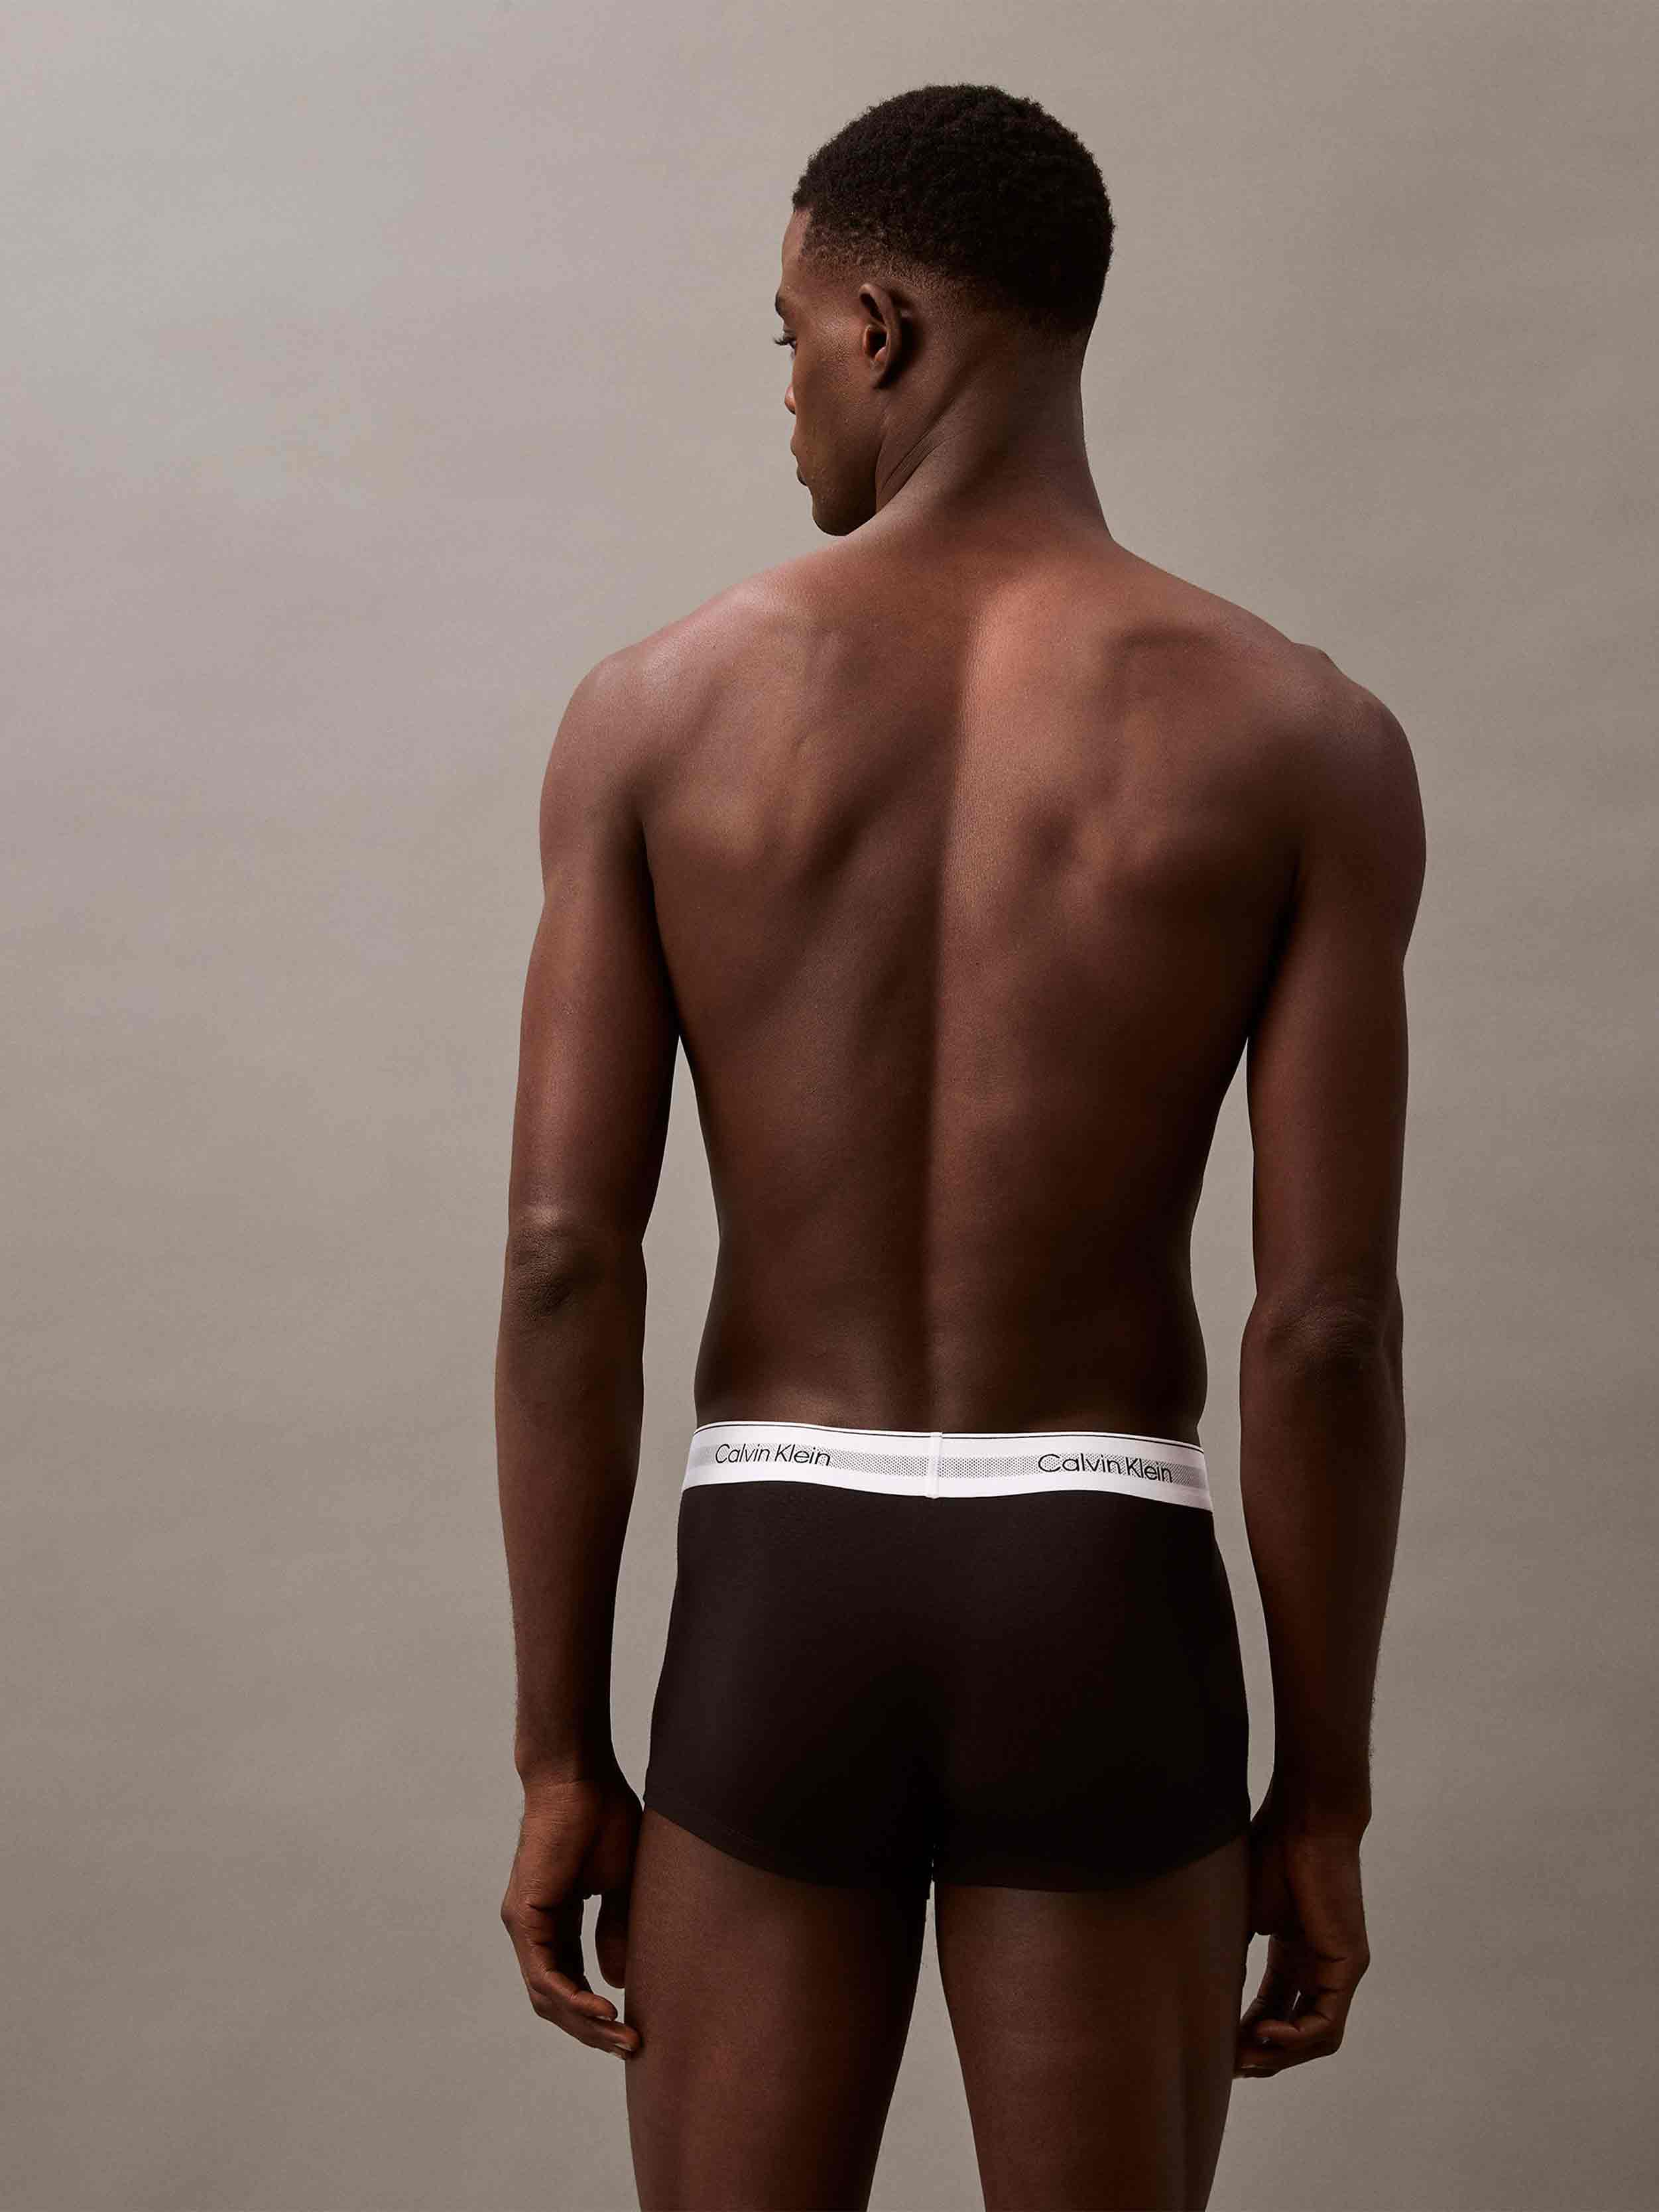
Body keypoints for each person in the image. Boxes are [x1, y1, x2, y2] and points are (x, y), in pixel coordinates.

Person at [494, 82, 1426, 2212]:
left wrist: (559, 1753)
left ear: (885, 328)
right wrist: (1325, 1801)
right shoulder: (1300, 734)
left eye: (793, 335)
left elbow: (563, 1258)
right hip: (1101, 1582)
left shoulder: (656, 711)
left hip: (779, 1577)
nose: (790, 390)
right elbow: (1327, 1326)